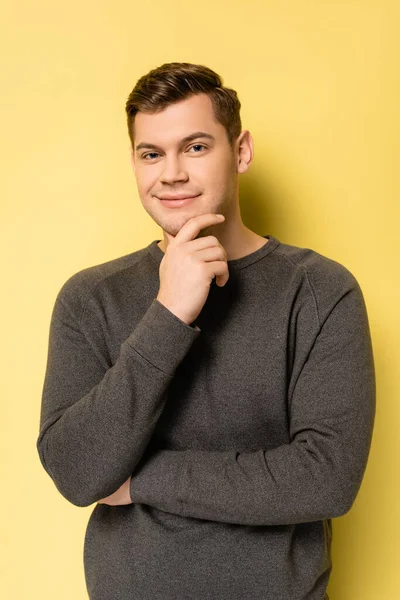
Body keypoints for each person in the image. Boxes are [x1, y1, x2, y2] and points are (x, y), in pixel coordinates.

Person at [36, 62, 376, 600]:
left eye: (195, 147)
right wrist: (169, 314)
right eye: (151, 153)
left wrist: (142, 481)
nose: (170, 173)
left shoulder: (319, 290)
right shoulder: (90, 298)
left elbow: (325, 478)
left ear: (240, 151)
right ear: (134, 162)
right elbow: (78, 473)